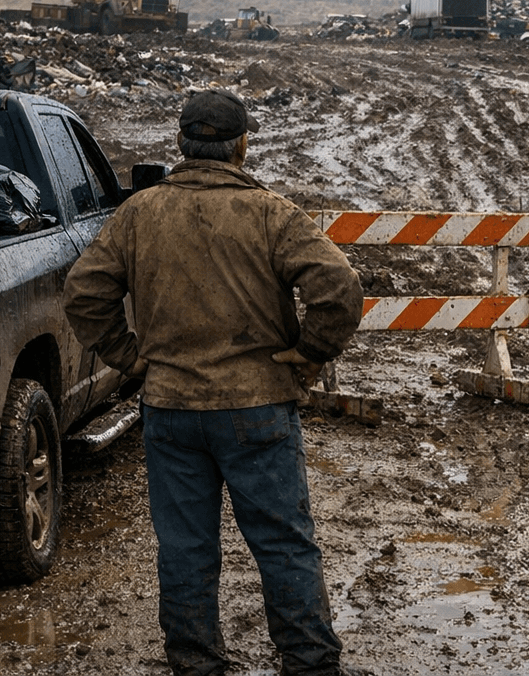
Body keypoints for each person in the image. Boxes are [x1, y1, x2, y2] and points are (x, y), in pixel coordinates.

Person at [63, 88, 368, 676]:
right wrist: (307, 355)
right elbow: (339, 290)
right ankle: (308, 663)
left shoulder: (138, 213)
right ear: (243, 147)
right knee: (283, 545)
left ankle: (195, 662)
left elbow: (85, 294)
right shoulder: (271, 213)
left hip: (172, 409)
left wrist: (130, 359)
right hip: (257, 408)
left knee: (185, 548)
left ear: (181, 144)